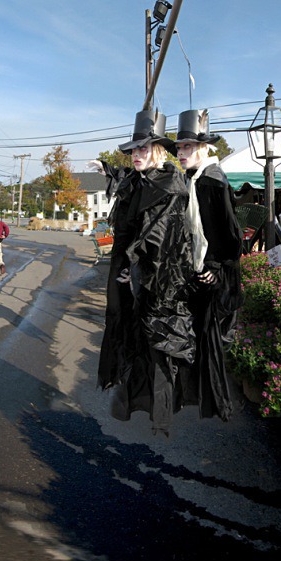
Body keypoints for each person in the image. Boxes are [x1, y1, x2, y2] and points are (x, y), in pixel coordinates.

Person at [94, 110, 200, 435]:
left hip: (161, 282)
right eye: (133, 150)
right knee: (131, 338)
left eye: (143, 149)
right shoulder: (134, 183)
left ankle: (162, 418)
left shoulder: (170, 186)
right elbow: (124, 225)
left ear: (157, 150)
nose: (136, 155)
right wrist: (124, 265)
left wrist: (136, 266)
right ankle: (141, 404)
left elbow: (164, 238)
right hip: (132, 279)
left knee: (160, 349)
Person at [174, 109, 244, 421]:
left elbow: (232, 235)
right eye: (179, 148)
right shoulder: (193, 181)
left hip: (218, 277)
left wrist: (215, 267)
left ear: (203, 149)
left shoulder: (213, 182)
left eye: (187, 147)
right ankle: (200, 397)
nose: (181, 153)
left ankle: (220, 404)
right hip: (202, 273)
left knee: (214, 340)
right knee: (198, 337)